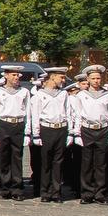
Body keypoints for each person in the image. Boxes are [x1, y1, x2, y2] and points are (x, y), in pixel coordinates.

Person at [70, 65, 108, 204]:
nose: (96, 81)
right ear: (88, 79)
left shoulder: (107, 95)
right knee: (87, 163)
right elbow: (78, 115)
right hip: (87, 129)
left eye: (98, 78)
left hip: (102, 129)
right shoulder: (82, 95)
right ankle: (87, 193)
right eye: (93, 78)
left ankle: (100, 193)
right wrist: (77, 133)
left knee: (101, 164)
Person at [27, 67, 74, 202]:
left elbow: (68, 113)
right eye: (61, 77)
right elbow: (35, 115)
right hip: (46, 128)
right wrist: (36, 134)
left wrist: (70, 132)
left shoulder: (63, 94)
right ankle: (45, 191)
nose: (63, 81)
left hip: (61, 128)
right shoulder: (40, 95)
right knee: (46, 162)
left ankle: (56, 192)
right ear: (52, 77)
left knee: (58, 162)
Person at [0, 67, 32, 200]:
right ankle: (3, 188)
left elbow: (28, 113)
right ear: (6, 76)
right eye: (13, 75)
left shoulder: (24, 92)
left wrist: (27, 132)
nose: (16, 77)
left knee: (17, 158)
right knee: (3, 158)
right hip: (4, 124)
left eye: (18, 75)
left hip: (18, 124)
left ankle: (17, 188)